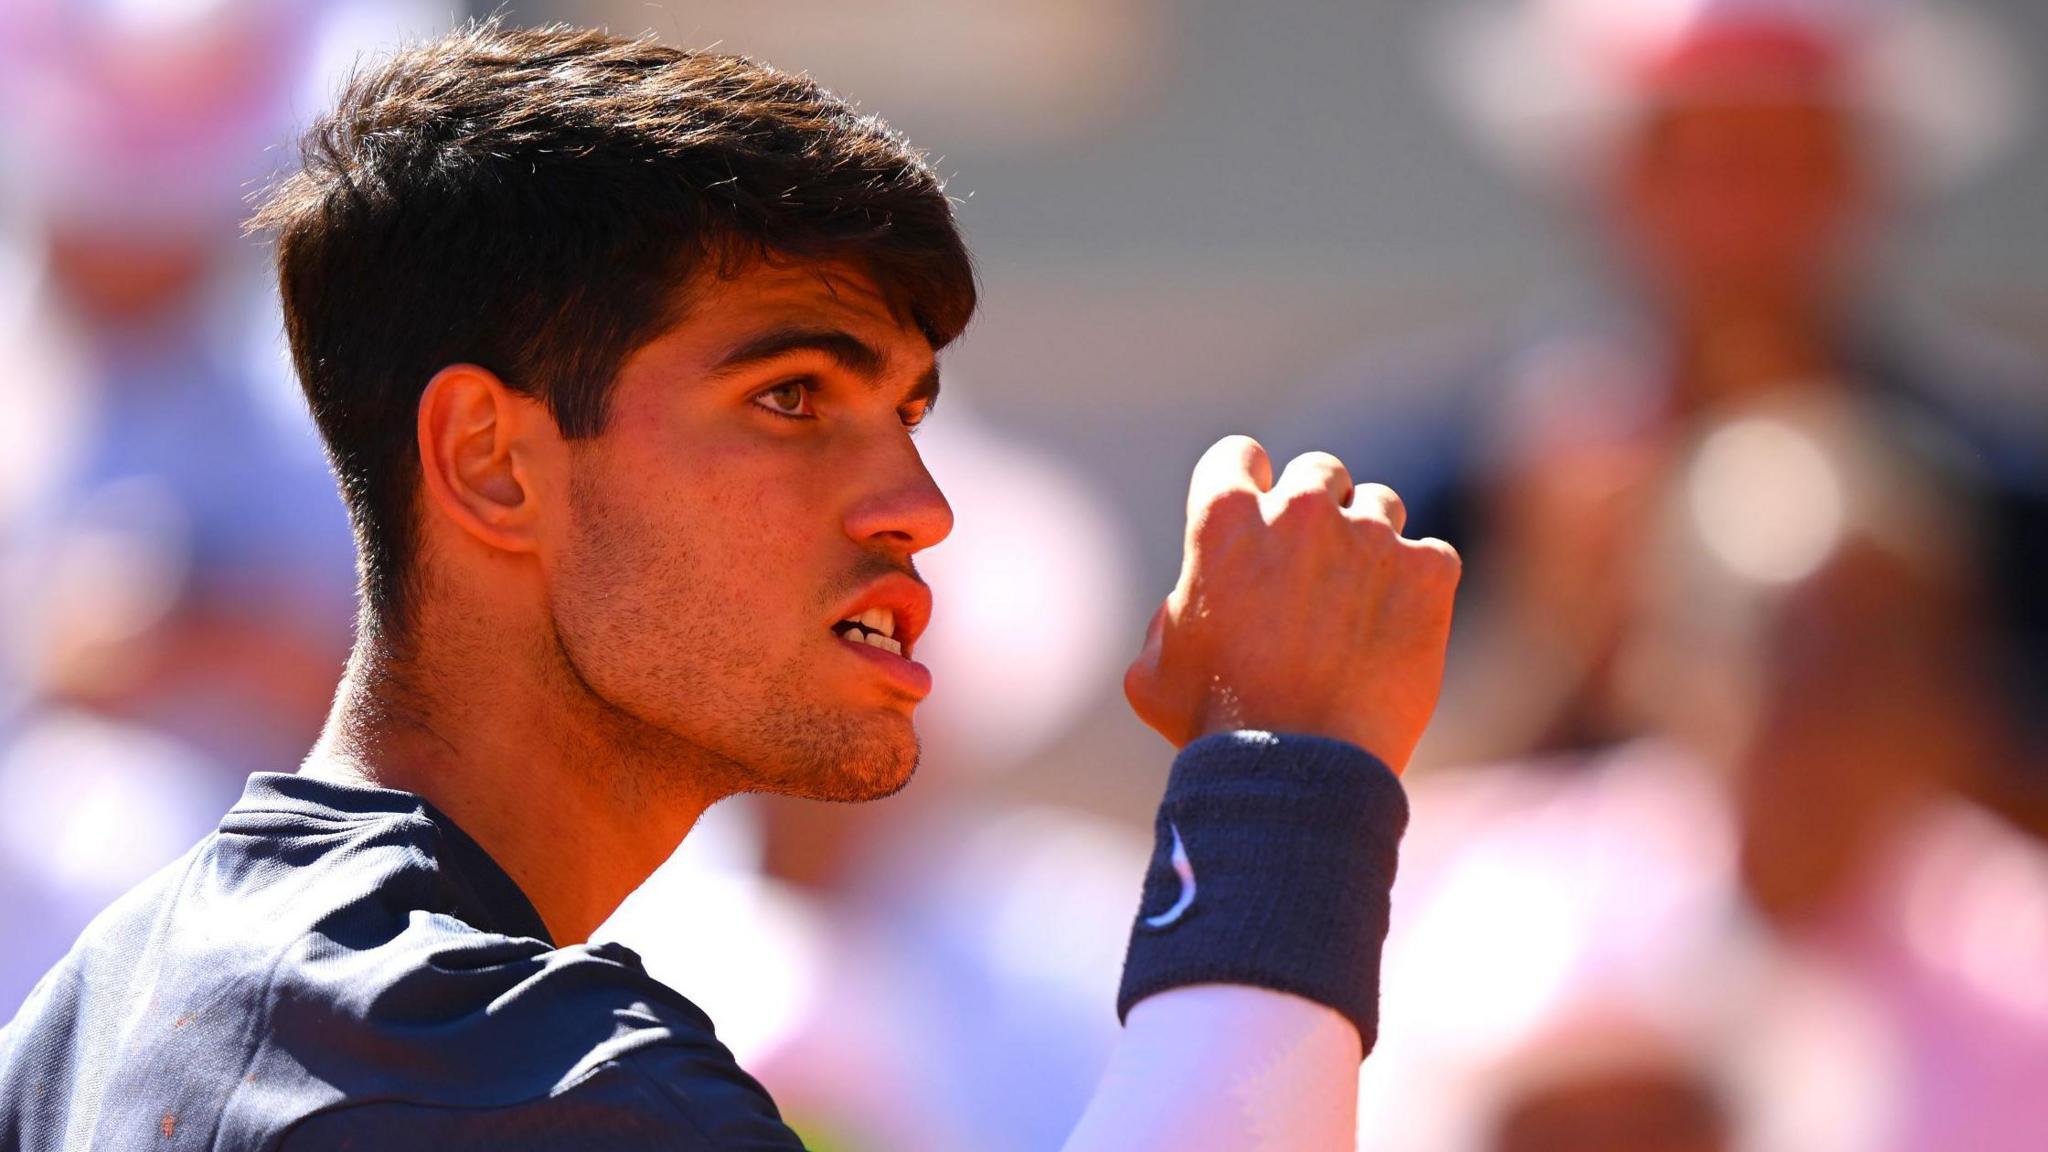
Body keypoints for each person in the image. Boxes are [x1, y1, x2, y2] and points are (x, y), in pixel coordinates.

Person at [0, 21, 1461, 1151]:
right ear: (493, 462)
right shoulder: (505, 1066)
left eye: (908, 413)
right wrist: (1288, 789)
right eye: (791, 399)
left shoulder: (108, 993)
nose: (918, 509)